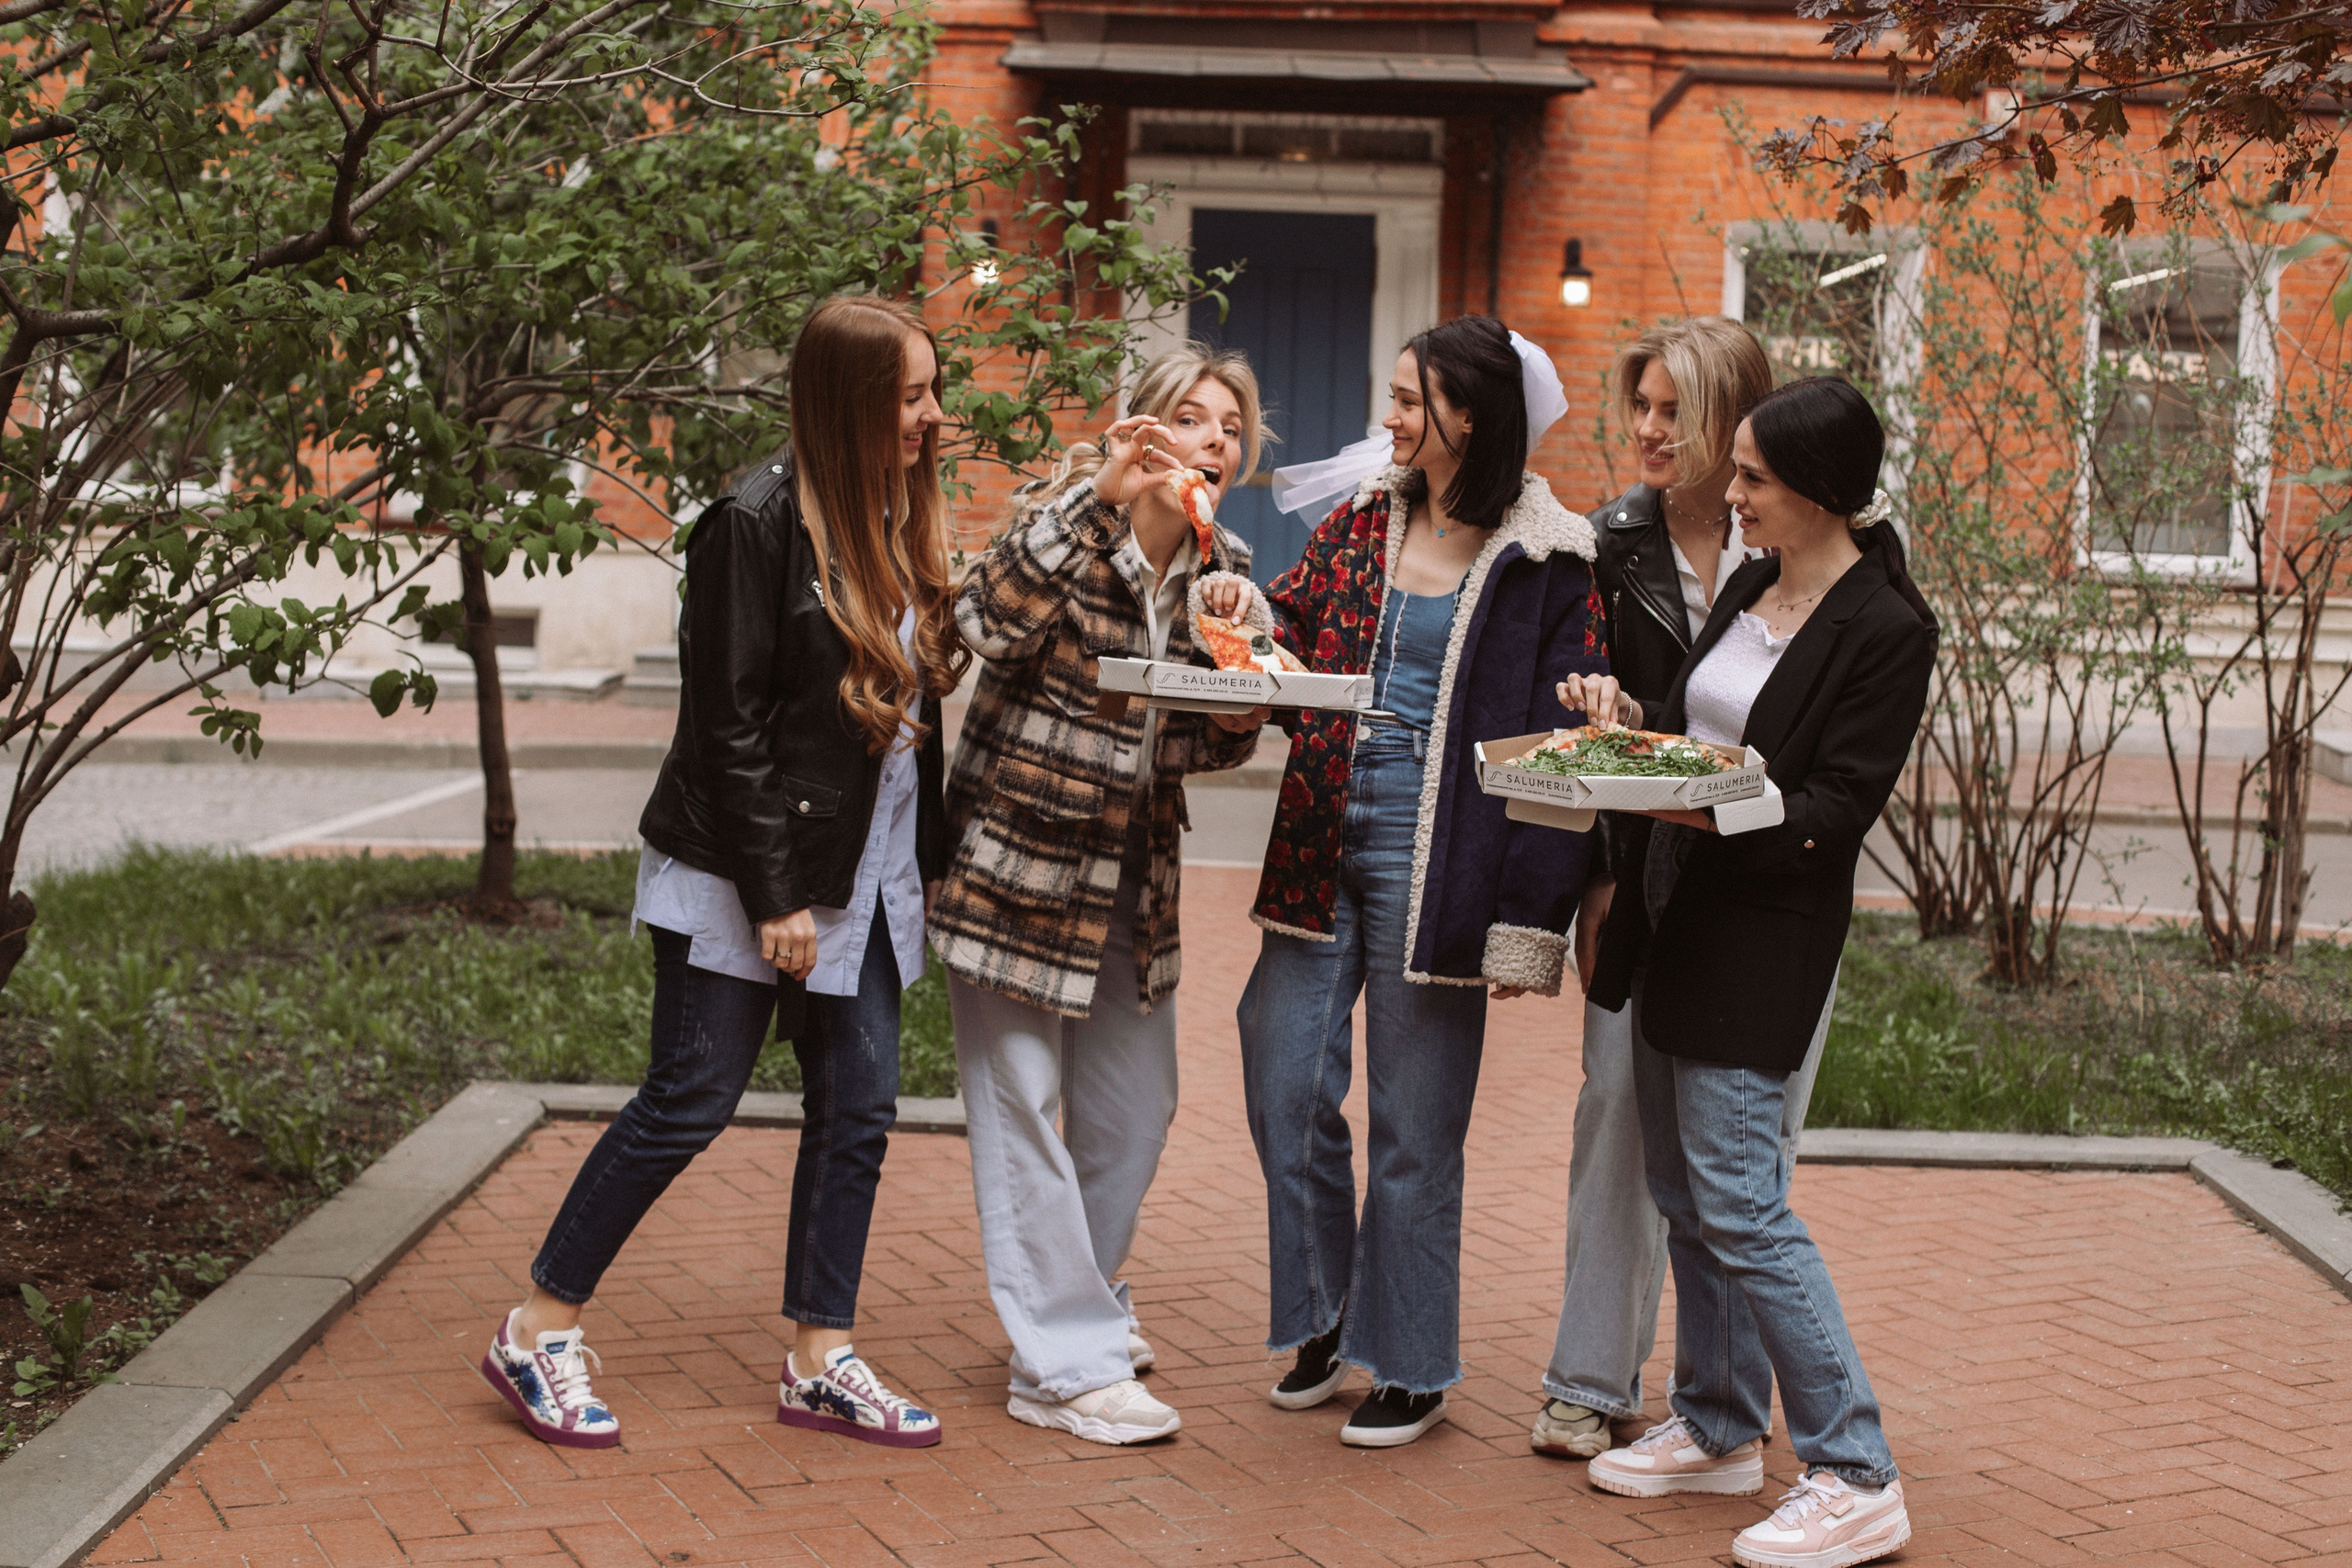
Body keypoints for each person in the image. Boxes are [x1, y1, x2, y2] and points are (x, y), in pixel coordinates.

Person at [478, 294, 966, 1450]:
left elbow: (905, 723)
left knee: (858, 1110)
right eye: (909, 396)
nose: (932, 417)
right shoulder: (750, 524)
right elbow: (727, 729)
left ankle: (820, 1359)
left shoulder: (892, 516)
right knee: (689, 1100)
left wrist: (925, 863)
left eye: (932, 391)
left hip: (866, 872)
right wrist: (774, 895)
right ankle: (536, 1329)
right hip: (749, 872)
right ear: (847, 403)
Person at [1566, 377, 1935, 1568]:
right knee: (1683, 1190)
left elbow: (1835, 809)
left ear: (1819, 490)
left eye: (1754, 477)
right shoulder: (1749, 583)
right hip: (1671, 914)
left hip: (1762, 936)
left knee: (1742, 1203)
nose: (1730, 492)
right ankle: (1720, 1424)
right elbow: (1696, 726)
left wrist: (1707, 804)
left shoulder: (1887, 627)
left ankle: (1856, 1470)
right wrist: (1623, 718)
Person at [1227, 315, 1607, 1450]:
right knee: (1284, 1080)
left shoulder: (1549, 562)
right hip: (1318, 822)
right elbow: (1291, 627)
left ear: (1469, 418)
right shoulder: (1360, 518)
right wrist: (1245, 616)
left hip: (1443, 853)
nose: (1387, 419)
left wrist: (1529, 921)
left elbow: (1559, 753)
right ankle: (1324, 1314)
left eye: (1407, 401)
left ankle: (1410, 1362)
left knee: (1415, 1123)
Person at [931, 345, 1269, 1446]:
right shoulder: (1068, 522)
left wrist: (1240, 704)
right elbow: (980, 627)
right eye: (1193, 417)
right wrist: (1098, 501)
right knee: (1023, 1107)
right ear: (1145, 429)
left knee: (1134, 1111)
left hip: (1132, 884)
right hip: (1015, 871)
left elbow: (1202, 747)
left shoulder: (1225, 572)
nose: (1213, 440)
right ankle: (1064, 1364)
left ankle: (1075, 1304)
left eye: (1229, 427)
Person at [1529, 318, 1789, 1461]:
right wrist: (1593, 879)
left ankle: (1722, 1395)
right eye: (1638, 406)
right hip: (1641, 874)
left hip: (1764, 884)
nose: (1647, 430)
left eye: (1673, 412)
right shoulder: (1608, 544)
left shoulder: (1791, 544)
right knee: (1616, 1116)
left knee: (1745, 1142)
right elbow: (1593, 721)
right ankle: (1589, 1380)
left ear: (1731, 416)